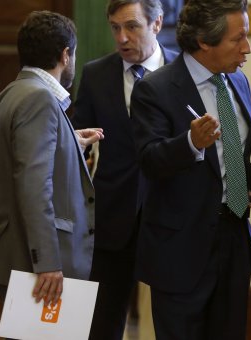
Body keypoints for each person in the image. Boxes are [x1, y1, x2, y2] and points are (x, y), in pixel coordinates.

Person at [130, 0, 251, 338]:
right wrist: (190, 143)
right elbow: (149, 160)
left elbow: (237, 151)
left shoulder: (240, 82)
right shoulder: (155, 89)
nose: (247, 48)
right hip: (181, 250)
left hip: (234, 239)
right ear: (205, 41)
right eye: (238, 39)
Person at [0, 10, 103, 309]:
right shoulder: (40, 99)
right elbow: (34, 184)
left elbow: (20, 162)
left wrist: (69, 144)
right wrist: (47, 261)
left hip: (19, 255)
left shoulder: (7, 95)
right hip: (37, 264)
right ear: (65, 55)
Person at [70, 0, 178, 338]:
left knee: (173, 322)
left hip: (171, 216)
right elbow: (74, 139)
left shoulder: (185, 71)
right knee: (102, 324)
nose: (122, 37)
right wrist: (78, 144)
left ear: (157, 24)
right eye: (115, 28)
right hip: (112, 217)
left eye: (132, 26)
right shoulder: (96, 73)